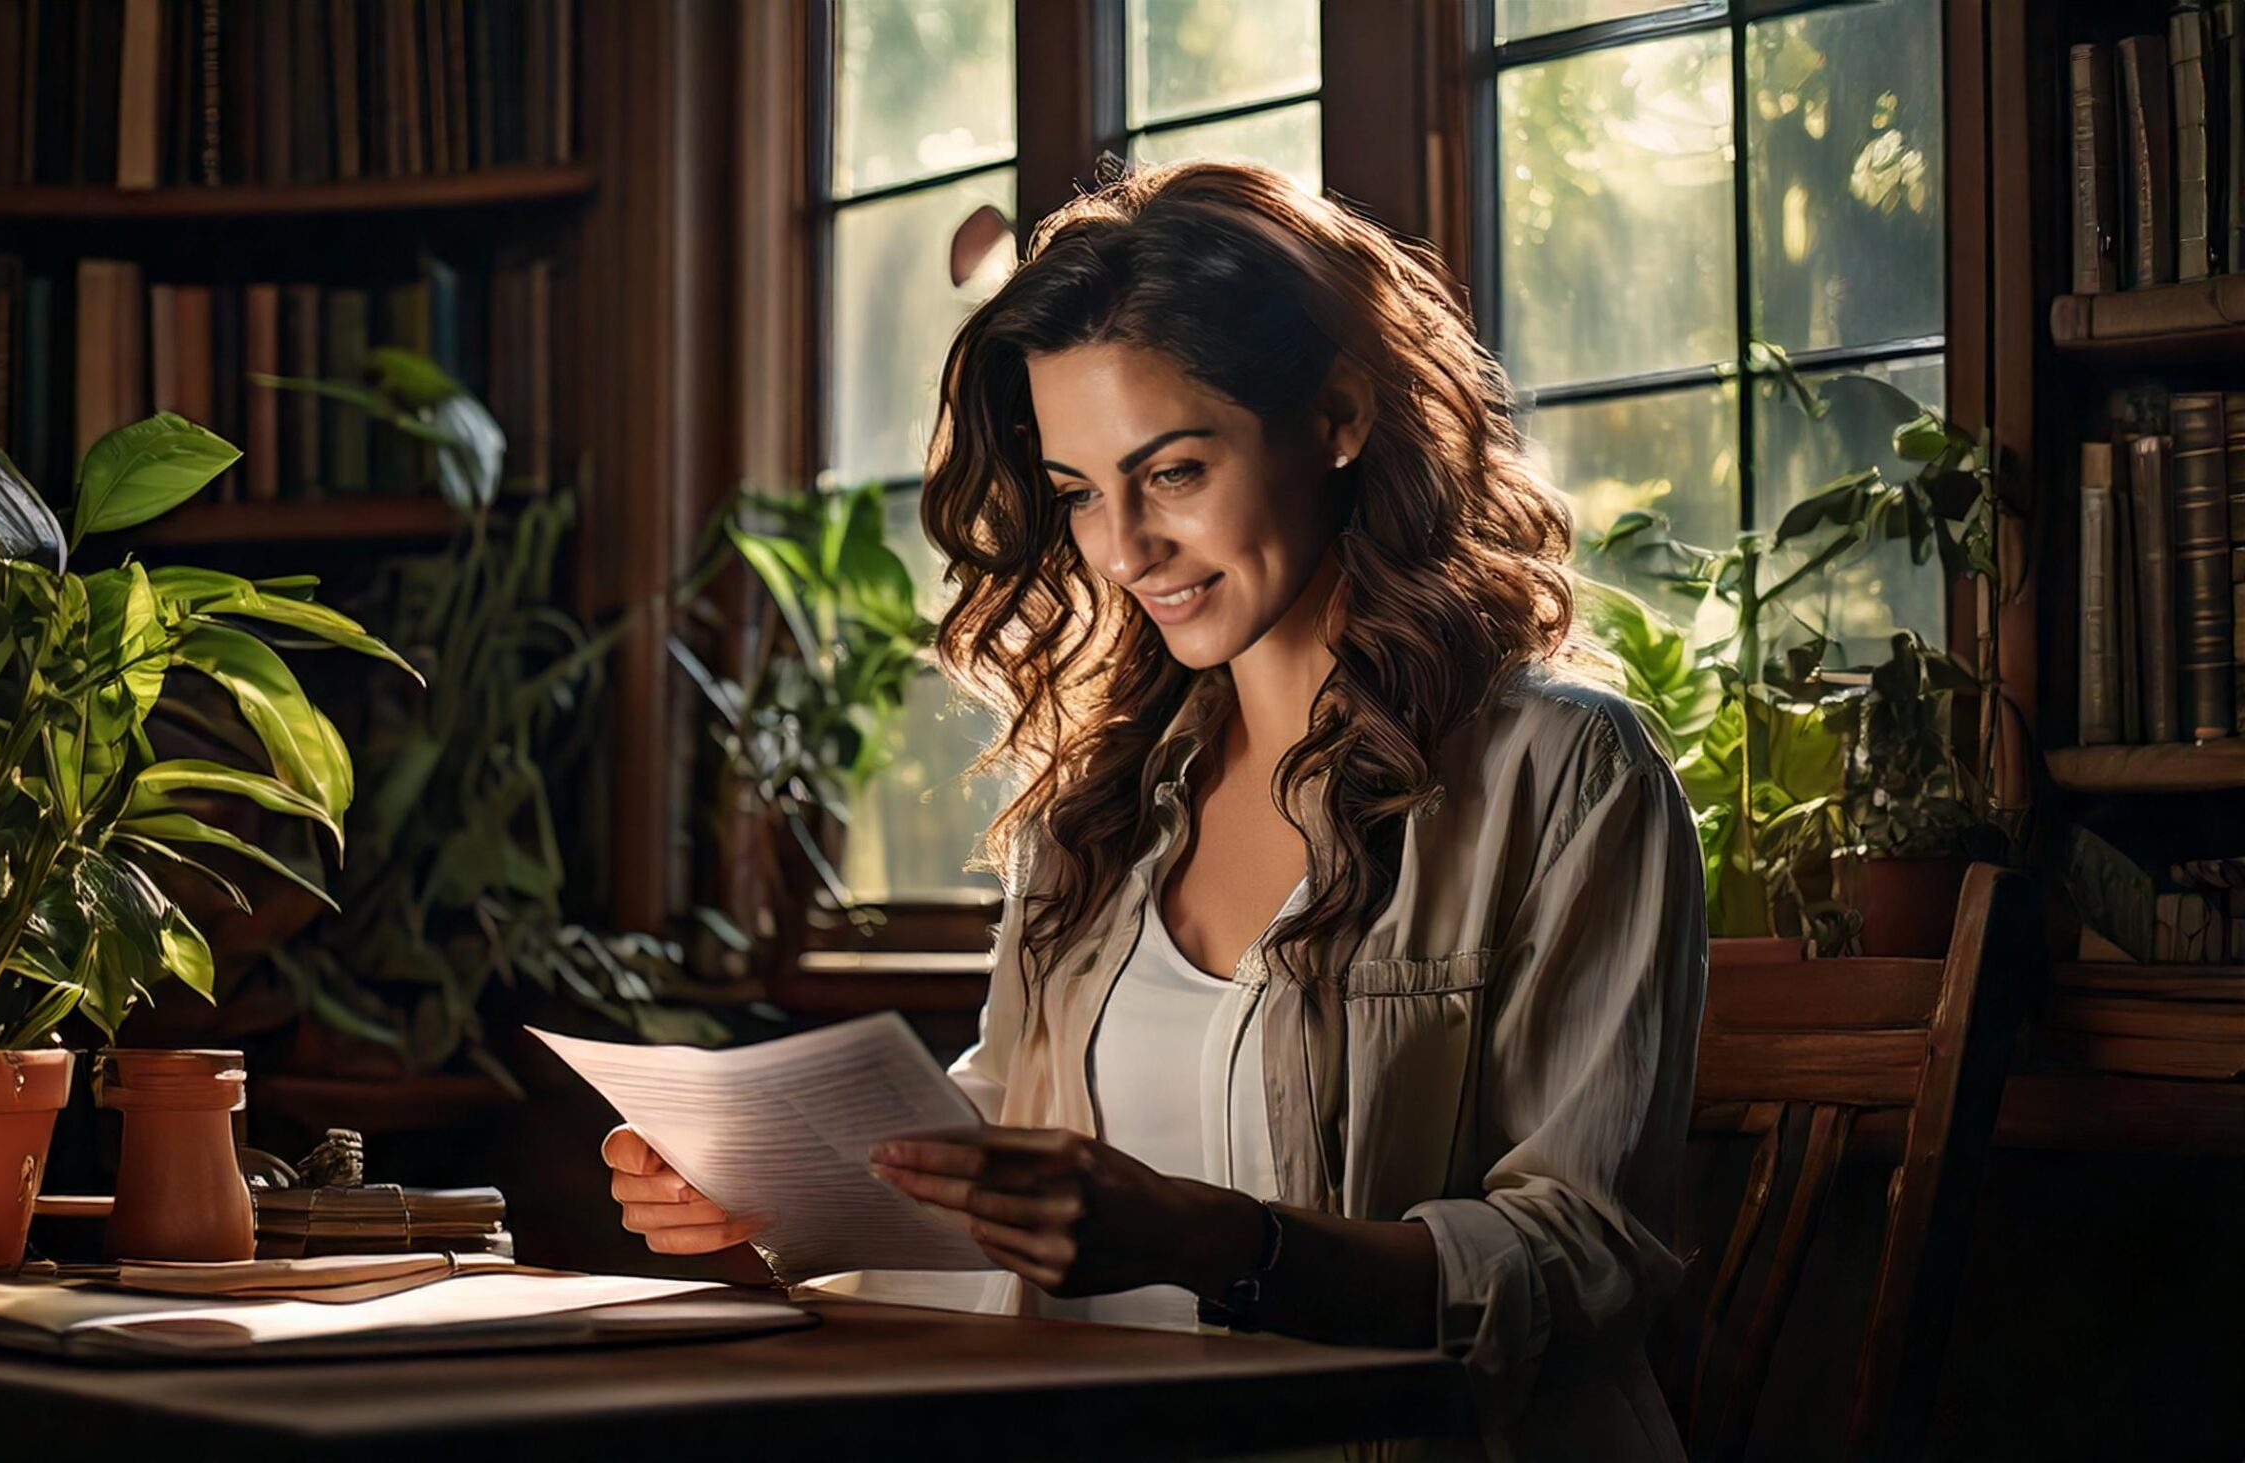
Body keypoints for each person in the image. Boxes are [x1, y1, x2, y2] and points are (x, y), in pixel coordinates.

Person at [601, 159, 1707, 1460]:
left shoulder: (1564, 775)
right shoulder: (1097, 809)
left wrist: (1218, 1243)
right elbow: (1005, 1144)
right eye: (1078, 491)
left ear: (1338, 415)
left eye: (1172, 471)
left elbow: (1586, 1259)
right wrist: (771, 1195)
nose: (1123, 549)